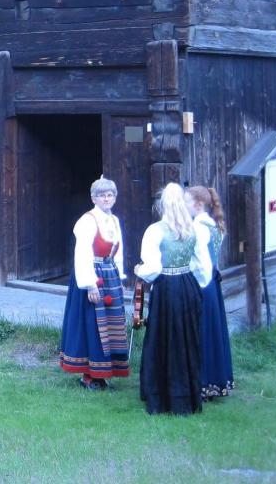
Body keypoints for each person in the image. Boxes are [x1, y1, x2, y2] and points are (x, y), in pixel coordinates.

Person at [134, 182, 213, 415]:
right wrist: (196, 285)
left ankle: (161, 396)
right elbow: (203, 267)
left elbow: (153, 267)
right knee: (187, 338)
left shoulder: (156, 230)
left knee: (163, 337)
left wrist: (140, 272)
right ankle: (185, 396)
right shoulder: (196, 229)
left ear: (162, 205)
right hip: (188, 285)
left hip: (167, 287)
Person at [58, 175, 129, 390]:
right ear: (93, 198)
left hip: (110, 274)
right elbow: (82, 254)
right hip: (92, 274)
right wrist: (90, 284)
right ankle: (90, 374)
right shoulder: (87, 221)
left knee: (110, 324)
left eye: (110, 195)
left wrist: (120, 276)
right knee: (92, 325)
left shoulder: (114, 221)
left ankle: (105, 371)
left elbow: (119, 251)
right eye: (102, 195)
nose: (107, 199)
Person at [186, 185, 235, 400]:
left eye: (186, 202)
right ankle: (215, 380)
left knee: (202, 331)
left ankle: (203, 383)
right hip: (213, 284)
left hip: (202, 283)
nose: (184, 206)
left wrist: (193, 282)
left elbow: (200, 262)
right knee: (212, 329)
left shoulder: (197, 226)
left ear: (198, 204)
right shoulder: (215, 225)